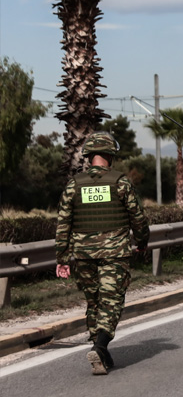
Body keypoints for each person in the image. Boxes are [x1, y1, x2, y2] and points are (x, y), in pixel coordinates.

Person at [55, 131, 150, 375]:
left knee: (94, 302)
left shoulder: (74, 184)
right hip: (114, 253)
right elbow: (137, 217)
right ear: (110, 155)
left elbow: (63, 222)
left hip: (84, 255)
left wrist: (62, 258)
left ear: (88, 156)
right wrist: (142, 241)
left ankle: (101, 351)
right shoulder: (120, 182)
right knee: (111, 300)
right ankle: (100, 346)